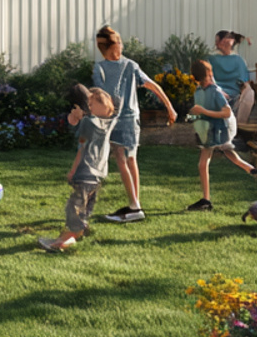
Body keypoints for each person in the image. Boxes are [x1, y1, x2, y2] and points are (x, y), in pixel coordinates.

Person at [93, 25, 176, 223]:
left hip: (124, 120)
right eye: (119, 42)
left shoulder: (123, 66)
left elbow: (151, 85)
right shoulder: (116, 67)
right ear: (111, 47)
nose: (122, 45)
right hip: (124, 120)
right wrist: (170, 107)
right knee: (130, 160)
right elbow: (100, 96)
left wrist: (169, 107)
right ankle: (134, 204)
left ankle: (135, 206)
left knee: (123, 160)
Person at [38, 83, 118, 253]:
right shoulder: (109, 122)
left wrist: (73, 171)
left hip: (85, 172)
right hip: (99, 175)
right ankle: (80, 230)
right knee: (86, 205)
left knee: (73, 208)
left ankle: (65, 241)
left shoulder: (87, 123)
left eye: (90, 103)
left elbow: (81, 149)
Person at [186, 59, 256, 212]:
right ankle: (251, 169)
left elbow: (227, 112)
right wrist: (192, 116)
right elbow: (200, 111)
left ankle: (206, 200)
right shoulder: (199, 91)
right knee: (228, 152)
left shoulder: (215, 91)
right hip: (210, 129)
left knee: (202, 164)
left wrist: (203, 112)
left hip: (220, 128)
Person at [208, 30, 255, 121]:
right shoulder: (211, 59)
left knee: (250, 93)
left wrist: (246, 89)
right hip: (216, 94)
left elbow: (244, 82)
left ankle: (240, 123)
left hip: (235, 97)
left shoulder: (239, 60)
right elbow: (208, 79)